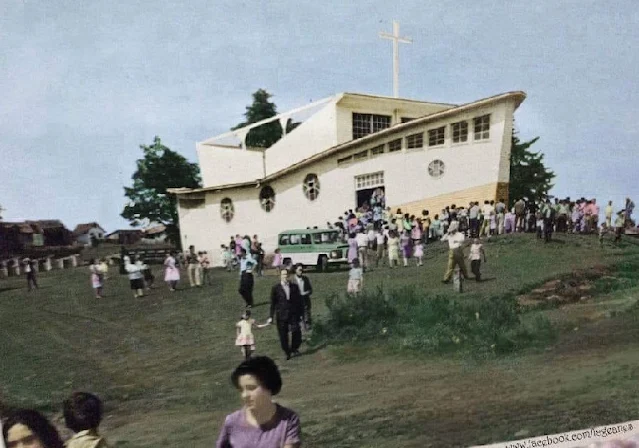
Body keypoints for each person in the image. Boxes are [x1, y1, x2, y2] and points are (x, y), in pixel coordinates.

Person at [215, 356, 301, 448]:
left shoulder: (288, 420)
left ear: (269, 387)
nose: (245, 395)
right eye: (241, 390)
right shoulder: (232, 422)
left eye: (251, 388)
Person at [267, 269, 303, 360]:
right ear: (280, 276)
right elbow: (273, 303)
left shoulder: (294, 287)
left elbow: (299, 301)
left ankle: (294, 348)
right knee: (283, 335)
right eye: (283, 274)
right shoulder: (276, 288)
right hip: (281, 315)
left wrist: (301, 313)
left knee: (296, 331)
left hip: (293, 314)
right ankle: (287, 352)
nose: (285, 276)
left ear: (289, 275)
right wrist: (271, 316)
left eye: (286, 274)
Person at [293, 264, 313, 331]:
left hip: (305, 301)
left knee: (307, 316)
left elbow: (310, 290)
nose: (301, 271)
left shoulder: (305, 279)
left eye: (302, 270)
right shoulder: (292, 281)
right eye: (299, 270)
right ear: (295, 270)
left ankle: (307, 327)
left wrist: (306, 293)